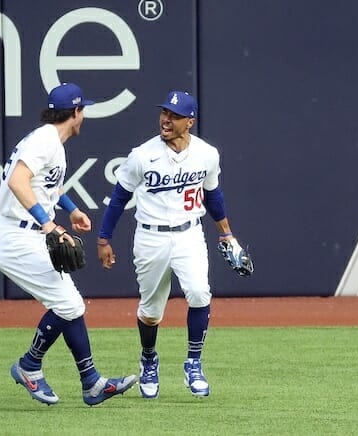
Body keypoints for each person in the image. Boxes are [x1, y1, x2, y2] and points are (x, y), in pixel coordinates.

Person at [0, 82, 136, 407]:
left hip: (25, 235)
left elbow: (47, 185)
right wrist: (49, 223)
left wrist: (72, 209)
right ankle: (30, 366)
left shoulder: (50, 140)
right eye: (84, 110)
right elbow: (18, 181)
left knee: (70, 304)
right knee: (69, 305)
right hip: (14, 237)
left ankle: (91, 382)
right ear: (76, 112)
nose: (84, 116)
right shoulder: (45, 140)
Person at [97, 90, 243, 399]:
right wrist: (103, 238)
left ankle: (194, 363)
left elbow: (213, 196)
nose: (166, 119)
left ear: (190, 122)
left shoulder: (207, 154)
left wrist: (227, 234)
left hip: (189, 234)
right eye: (164, 113)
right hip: (151, 237)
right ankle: (149, 359)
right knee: (151, 310)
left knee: (199, 293)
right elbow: (119, 198)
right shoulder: (142, 155)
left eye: (175, 116)